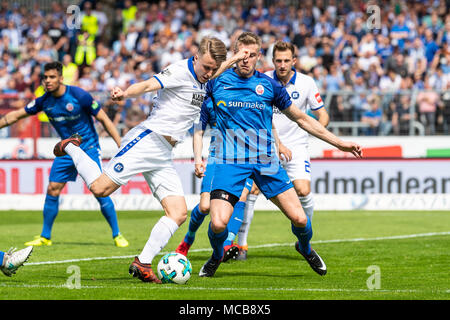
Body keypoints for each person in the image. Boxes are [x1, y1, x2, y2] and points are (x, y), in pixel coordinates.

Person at [52, 37, 249, 283]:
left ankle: (142, 262)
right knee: (100, 189)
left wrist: (233, 59)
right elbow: (148, 84)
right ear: (196, 58)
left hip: (165, 153)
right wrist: (125, 92)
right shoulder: (178, 71)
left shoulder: (206, 74)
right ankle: (71, 148)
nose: (209, 73)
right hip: (147, 141)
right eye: (206, 67)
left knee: (178, 213)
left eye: (213, 68)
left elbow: (218, 68)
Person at [198, 32, 362, 278]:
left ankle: (304, 247)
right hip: (229, 161)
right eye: (242, 55)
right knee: (218, 223)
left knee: (300, 219)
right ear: (234, 54)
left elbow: (302, 118)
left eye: (252, 55)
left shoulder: (269, 86)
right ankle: (217, 254)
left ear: (259, 57)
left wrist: (339, 143)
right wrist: (231, 60)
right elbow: (204, 75)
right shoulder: (217, 81)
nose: (246, 60)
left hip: (266, 162)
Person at [0, 61, 128, 248]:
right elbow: (16, 115)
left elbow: (103, 118)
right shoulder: (44, 101)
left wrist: (121, 145)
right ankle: (45, 236)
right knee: (53, 188)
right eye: (45, 77)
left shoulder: (79, 95)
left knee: (100, 190)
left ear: (61, 78)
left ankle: (117, 234)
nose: (48, 81)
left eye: (52, 77)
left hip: (88, 148)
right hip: (66, 150)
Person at [236, 40, 331, 261]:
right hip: (267, 145)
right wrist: (276, 143)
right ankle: (242, 245)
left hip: (296, 146)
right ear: (272, 61)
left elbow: (322, 115)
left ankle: (303, 240)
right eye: (278, 60)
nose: (282, 65)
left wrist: (314, 132)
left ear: (294, 61)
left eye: (286, 60)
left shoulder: (307, 83)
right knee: (252, 192)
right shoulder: (262, 80)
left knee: (303, 191)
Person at [174, 96, 254, 262]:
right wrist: (197, 159)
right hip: (217, 159)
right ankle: (188, 239)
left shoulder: (247, 96)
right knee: (204, 207)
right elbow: (198, 131)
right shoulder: (209, 101)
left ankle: (227, 244)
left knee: (242, 197)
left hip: (244, 158)